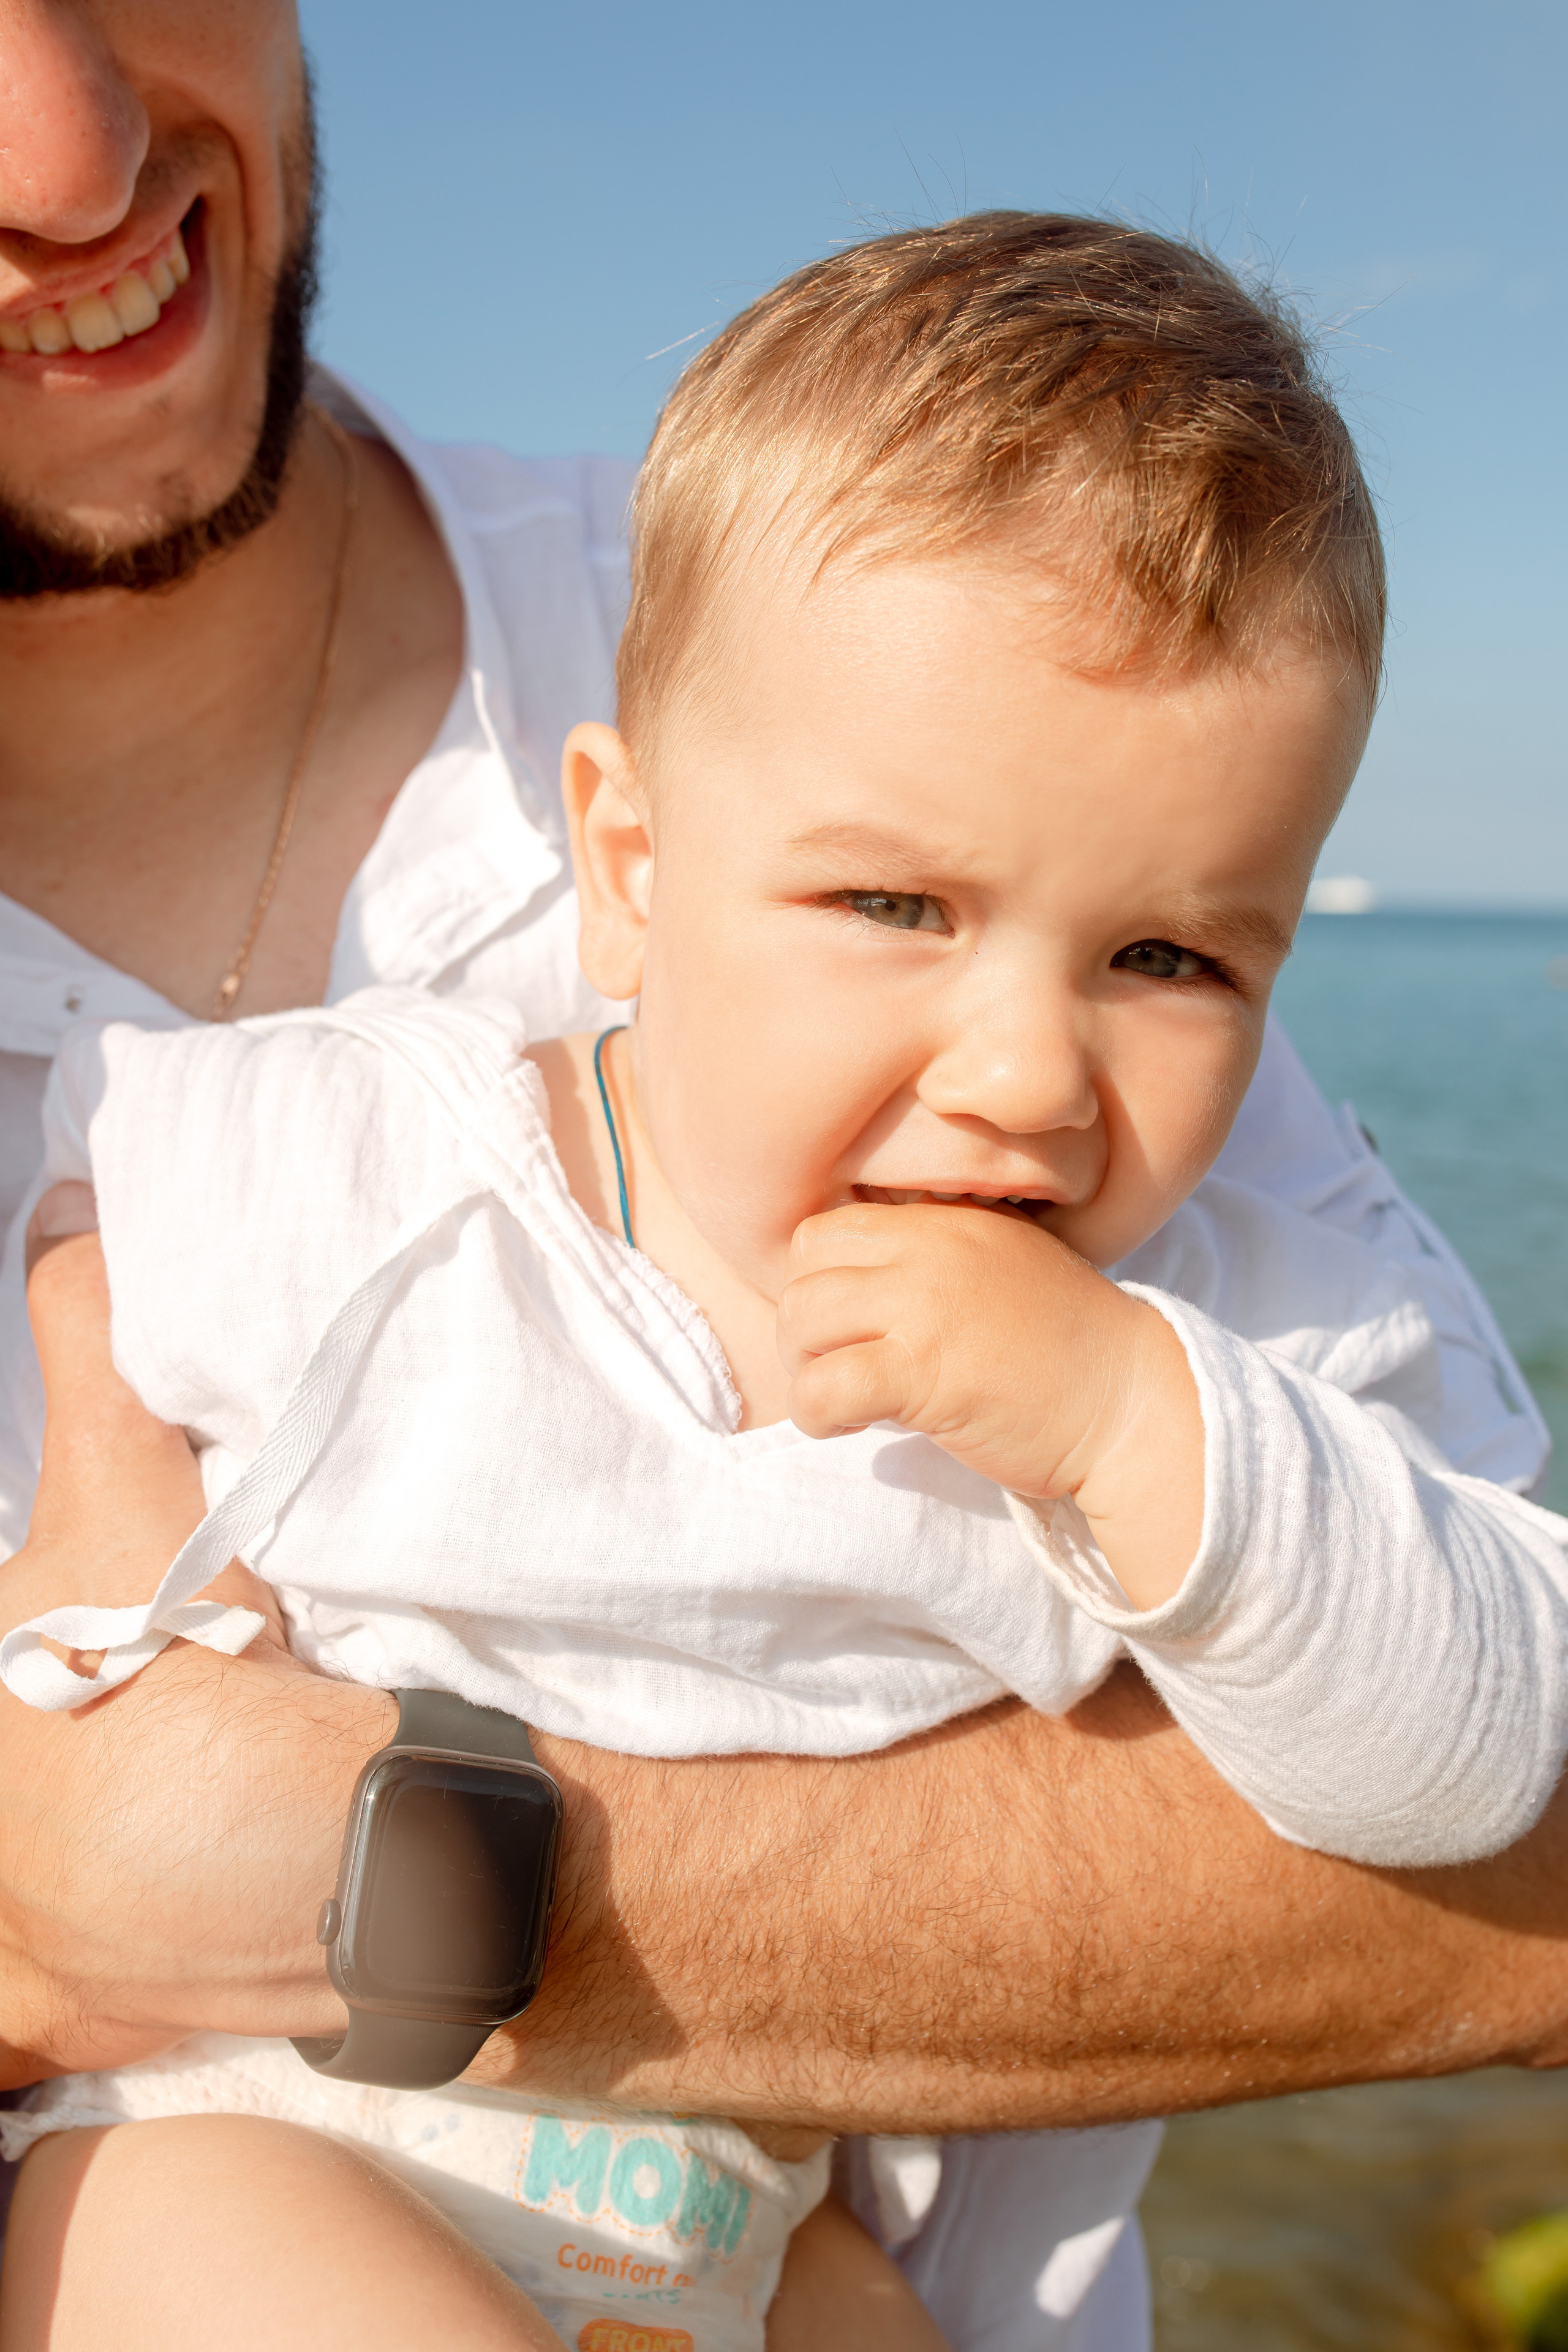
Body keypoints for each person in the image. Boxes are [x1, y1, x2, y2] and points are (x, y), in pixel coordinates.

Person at [0, 9, 1564, 2351]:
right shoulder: (378, 1146)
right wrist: (88, 1627)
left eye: (1167, 955)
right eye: (898, 914)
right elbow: (113, 1263)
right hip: (244, 2156)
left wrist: (1147, 1432)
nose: (1030, 1074)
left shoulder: (1176, 1263)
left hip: (752, 2210)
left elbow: (1515, 1777)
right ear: (617, 862)